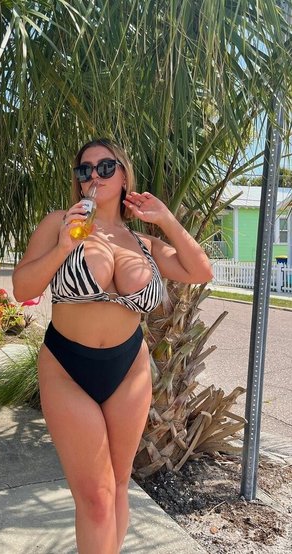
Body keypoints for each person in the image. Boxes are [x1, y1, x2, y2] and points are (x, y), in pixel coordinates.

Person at [12, 138, 213, 554]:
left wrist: (166, 219)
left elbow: (200, 271)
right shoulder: (59, 223)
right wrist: (64, 247)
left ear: (123, 176)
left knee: (119, 485)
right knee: (97, 499)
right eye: (84, 169)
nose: (94, 175)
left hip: (128, 368)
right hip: (67, 366)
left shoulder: (143, 243)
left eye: (105, 167)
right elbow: (22, 289)